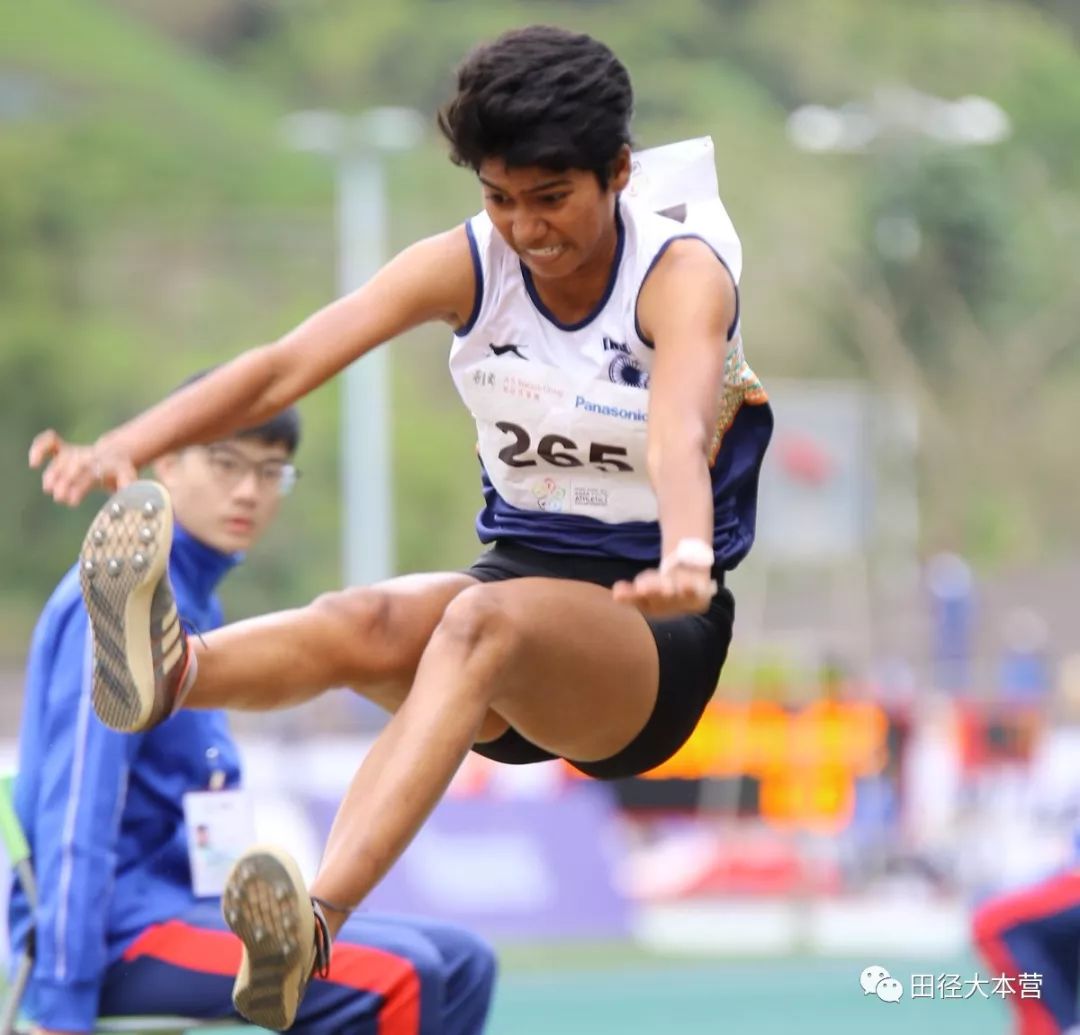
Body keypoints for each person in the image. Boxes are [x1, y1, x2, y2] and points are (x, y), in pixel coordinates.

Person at [28, 24, 773, 1029]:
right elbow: (284, 366)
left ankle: (312, 928)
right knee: (366, 619)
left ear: (618, 174)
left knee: (477, 626)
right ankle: (169, 677)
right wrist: (128, 440)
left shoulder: (680, 275)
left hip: (647, 636)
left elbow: (677, 433)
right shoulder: (468, 262)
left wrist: (686, 553)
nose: (526, 231)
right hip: (512, 583)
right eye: (500, 199)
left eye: (551, 200)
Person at [9, 389, 497, 1034]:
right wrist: (60, 1006)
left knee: (465, 960)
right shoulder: (114, 604)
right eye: (226, 464)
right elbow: (76, 811)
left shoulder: (199, 606)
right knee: (400, 976)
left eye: (271, 472)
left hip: (192, 907)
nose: (249, 491)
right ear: (166, 465)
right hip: (120, 932)